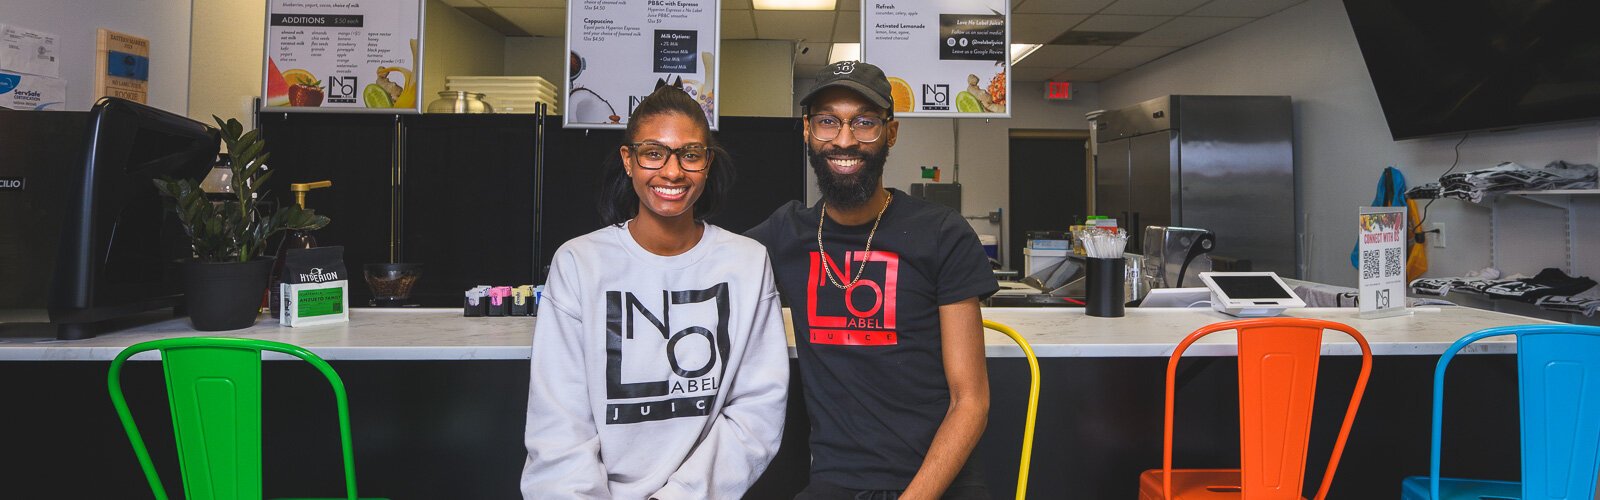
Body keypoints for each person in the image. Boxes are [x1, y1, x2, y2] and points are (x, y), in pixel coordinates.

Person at [521, 85, 789, 499]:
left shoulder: (748, 263)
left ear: (707, 163)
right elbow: (558, 425)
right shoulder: (579, 263)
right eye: (653, 153)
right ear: (628, 161)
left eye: (690, 154)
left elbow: (756, 414)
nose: (672, 171)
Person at [747, 61, 999, 499]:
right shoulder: (785, 234)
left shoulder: (940, 233)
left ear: (891, 132)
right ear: (807, 131)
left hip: (938, 481)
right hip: (835, 482)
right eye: (828, 121)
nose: (844, 140)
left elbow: (970, 401)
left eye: (864, 122)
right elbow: (695, 260)